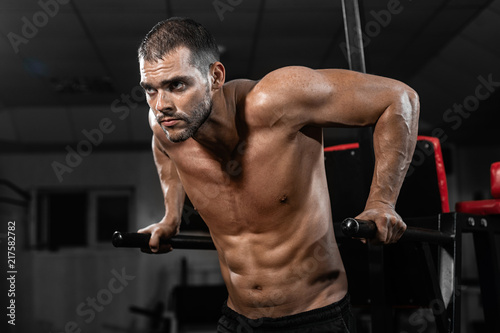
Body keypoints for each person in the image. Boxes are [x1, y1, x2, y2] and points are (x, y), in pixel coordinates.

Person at [137, 17, 419, 333]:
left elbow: (398, 99)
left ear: (215, 77)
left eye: (177, 85)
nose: (161, 105)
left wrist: (382, 201)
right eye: (150, 90)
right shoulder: (166, 126)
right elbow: (165, 152)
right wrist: (170, 217)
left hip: (316, 317)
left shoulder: (278, 100)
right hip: (237, 319)